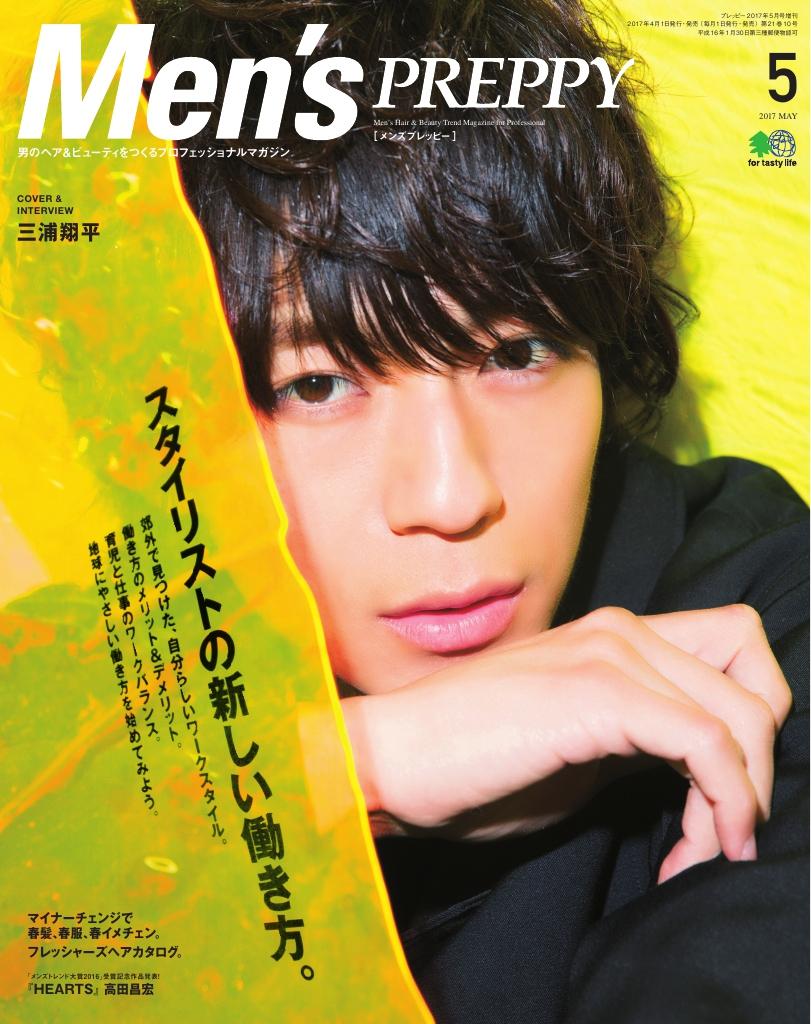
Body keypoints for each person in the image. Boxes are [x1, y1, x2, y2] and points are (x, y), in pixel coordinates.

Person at [138, 1, 808, 1020]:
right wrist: (343, 770)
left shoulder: (759, 606)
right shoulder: (79, 663)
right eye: (314, 384)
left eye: (516, 353)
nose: (452, 497)